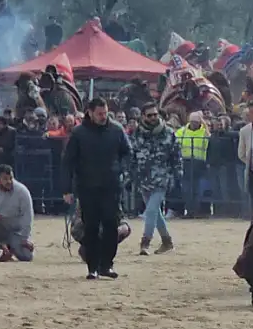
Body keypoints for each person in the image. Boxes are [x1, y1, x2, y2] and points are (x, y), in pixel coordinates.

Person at [63, 98, 132, 280]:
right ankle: (92, 267)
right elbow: (68, 162)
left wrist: (123, 171)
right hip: (87, 187)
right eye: (100, 113)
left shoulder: (117, 130)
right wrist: (67, 189)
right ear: (90, 112)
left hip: (111, 186)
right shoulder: (79, 133)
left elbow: (127, 152)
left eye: (105, 113)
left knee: (111, 226)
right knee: (91, 227)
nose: (103, 117)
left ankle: (106, 265)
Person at [131, 102, 180, 255]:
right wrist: (130, 176)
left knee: (151, 210)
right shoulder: (137, 134)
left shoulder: (168, 133)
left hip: (162, 177)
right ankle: (167, 242)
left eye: (155, 114)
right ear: (143, 117)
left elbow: (176, 156)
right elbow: (131, 156)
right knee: (155, 213)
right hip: (143, 178)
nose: (153, 118)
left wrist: (178, 175)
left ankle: (145, 242)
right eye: (149, 115)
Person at [175, 111, 209, 217]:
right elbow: (175, 144)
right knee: (186, 188)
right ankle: (189, 210)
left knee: (198, 188)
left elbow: (209, 142)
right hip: (185, 162)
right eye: (192, 121)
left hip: (200, 163)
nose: (194, 124)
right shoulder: (182, 132)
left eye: (196, 121)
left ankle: (196, 210)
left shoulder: (204, 132)